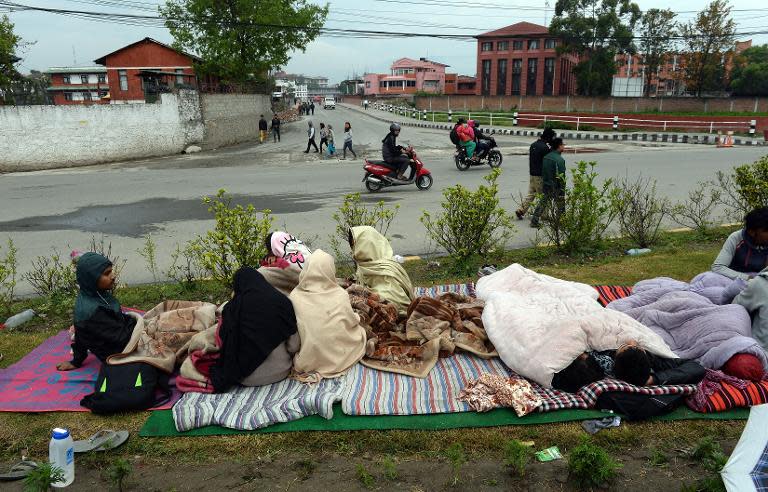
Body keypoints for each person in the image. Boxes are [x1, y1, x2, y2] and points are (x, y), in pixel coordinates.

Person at [209, 267, 299, 392]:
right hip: (281, 371)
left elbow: (226, 344)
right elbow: (294, 346)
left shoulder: (231, 310)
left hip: (245, 378)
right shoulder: (282, 302)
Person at [290, 250, 367, 382]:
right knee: (360, 332)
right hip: (342, 356)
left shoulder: (294, 297)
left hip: (309, 360)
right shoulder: (340, 294)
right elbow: (351, 321)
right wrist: (357, 317)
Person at [57, 252, 135, 370]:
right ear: (91, 278)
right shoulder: (92, 312)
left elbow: (81, 333)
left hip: (121, 336)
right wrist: (136, 324)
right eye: (106, 273)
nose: (113, 276)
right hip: (120, 353)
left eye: (111, 271)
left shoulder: (96, 293)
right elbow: (120, 339)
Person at [552, 340, 706, 393]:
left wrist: (653, 379)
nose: (632, 341)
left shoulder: (589, 370)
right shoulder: (645, 362)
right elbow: (697, 368)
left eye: (626, 346)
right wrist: (654, 379)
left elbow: (696, 369)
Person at [349, 226, 415, 314]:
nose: (353, 250)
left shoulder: (385, 271)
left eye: (355, 245)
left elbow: (393, 303)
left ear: (364, 245)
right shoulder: (366, 264)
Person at [712, 207, 768, 280]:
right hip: (733, 281)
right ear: (752, 232)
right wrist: (748, 278)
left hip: (760, 283)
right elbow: (718, 267)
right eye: (766, 231)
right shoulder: (736, 238)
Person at [516, 128, 555, 220]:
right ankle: (544, 215)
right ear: (548, 137)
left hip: (532, 174)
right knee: (544, 196)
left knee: (531, 194)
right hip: (540, 175)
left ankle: (521, 210)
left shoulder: (533, 145)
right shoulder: (544, 148)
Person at [530, 137, 566, 228]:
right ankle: (561, 222)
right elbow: (561, 176)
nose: (564, 147)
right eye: (563, 145)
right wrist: (562, 188)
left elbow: (544, 172)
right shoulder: (559, 160)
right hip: (556, 186)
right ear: (559, 146)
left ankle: (534, 220)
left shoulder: (546, 157)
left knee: (543, 202)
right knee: (561, 205)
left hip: (546, 184)